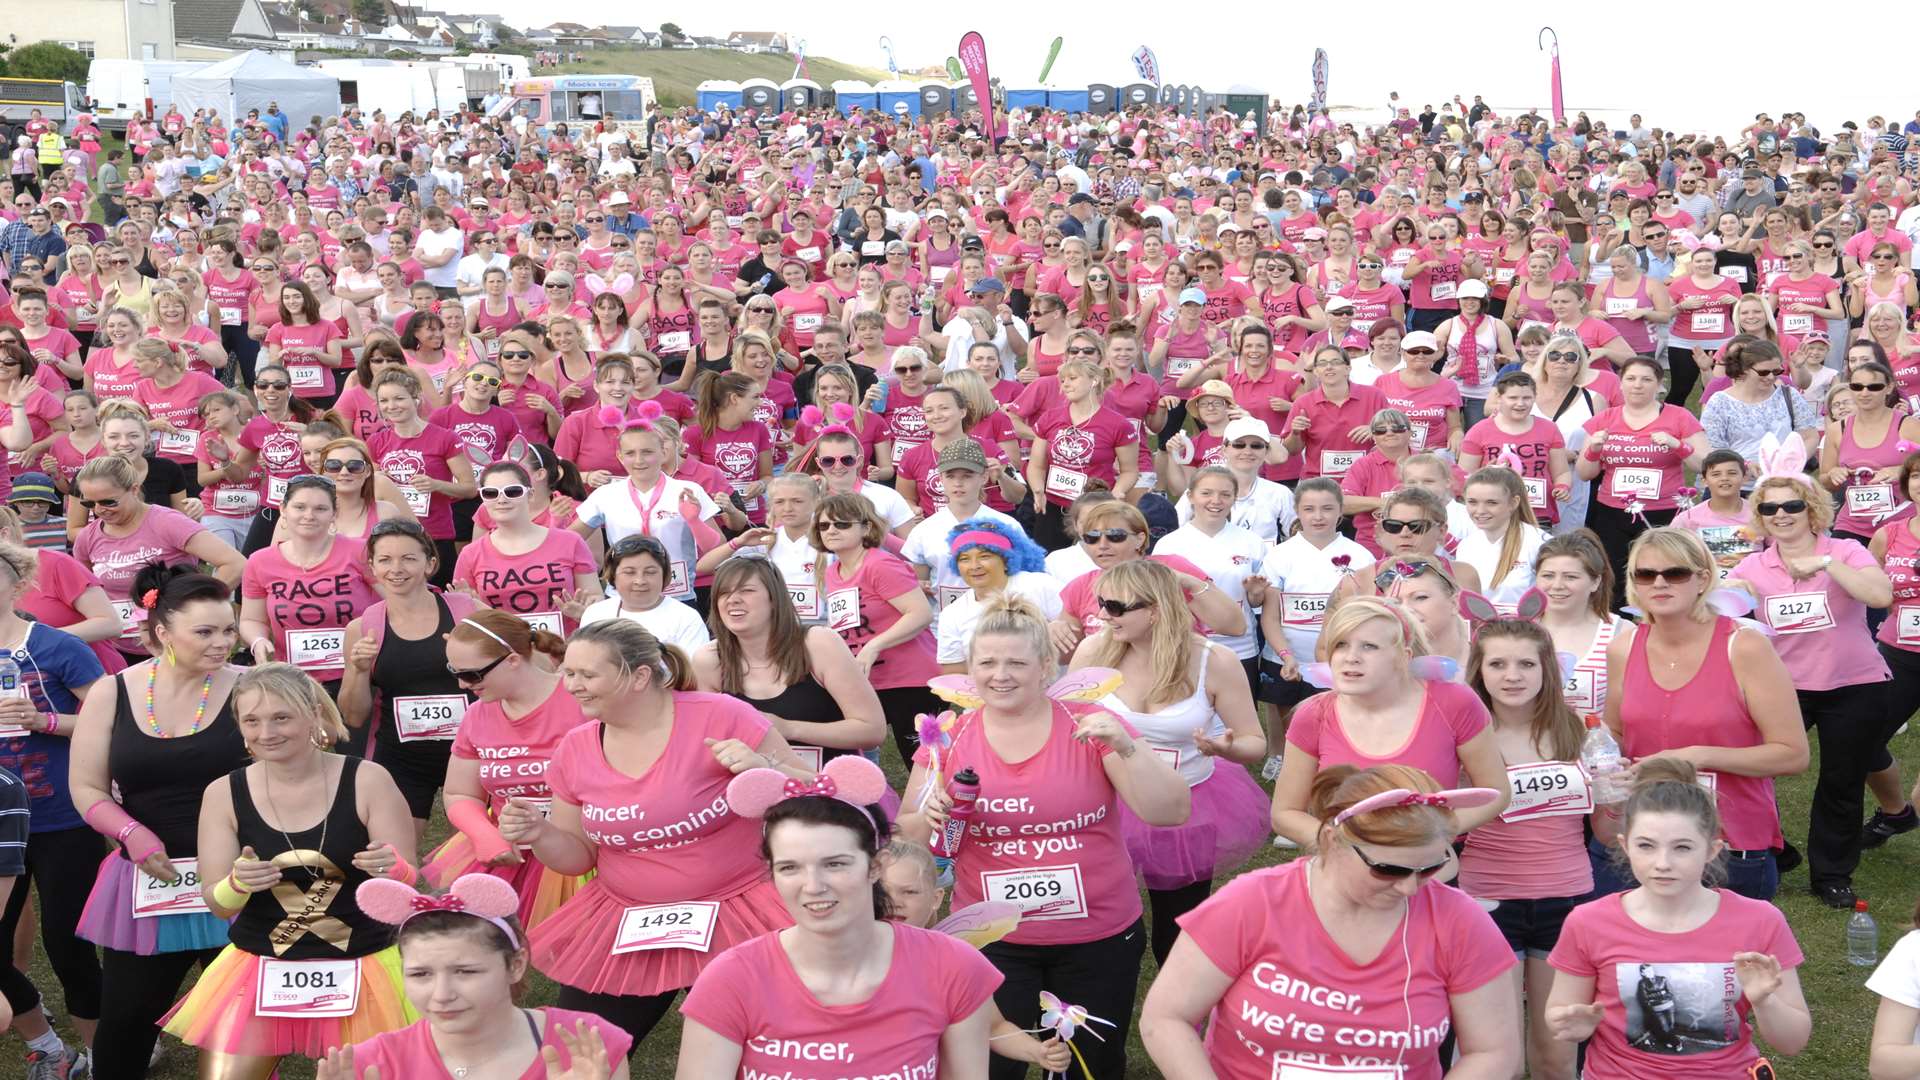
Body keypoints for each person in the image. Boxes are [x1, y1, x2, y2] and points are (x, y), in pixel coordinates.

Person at [898, 596, 1189, 1080]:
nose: (1001, 675)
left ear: (1046, 669)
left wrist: (1127, 748)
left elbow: (1171, 811)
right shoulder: (948, 734)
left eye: (1017, 662)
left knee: (1089, 1063)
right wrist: (929, 814)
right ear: (971, 670)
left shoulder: (1089, 725)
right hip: (990, 938)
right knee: (990, 1063)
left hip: (1097, 933)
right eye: (987, 663)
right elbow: (905, 832)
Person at [499, 620, 812, 1052]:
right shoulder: (575, 747)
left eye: (587, 675)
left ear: (640, 676)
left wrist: (765, 769)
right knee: (579, 1052)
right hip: (631, 919)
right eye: (568, 673)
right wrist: (540, 832)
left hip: (740, 910)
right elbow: (578, 858)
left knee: (777, 1048)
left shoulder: (721, 715)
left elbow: (816, 796)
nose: (572, 686)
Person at [1140, 763, 1520, 1079]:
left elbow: (1494, 1050)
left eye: (1429, 868)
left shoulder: (1460, 921)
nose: (1409, 888)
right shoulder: (1252, 903)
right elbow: (1167, 1017)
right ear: (1332, 840)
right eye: (1388, 869)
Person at [160, 663, 416, 1077]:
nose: (266, 733)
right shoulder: (224, 793)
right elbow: (218, 904)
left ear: (314, 713)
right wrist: (237, 883)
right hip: (261, 964)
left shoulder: (368, 780)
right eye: (252, 721)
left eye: (281, 717)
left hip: (362, 962)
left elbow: (406, 892)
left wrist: (393, 868)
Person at [677, 756, 998, 1078]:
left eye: (835, 864)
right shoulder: (731, 980)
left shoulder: (952, 967)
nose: (813, 886)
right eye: (790, 867)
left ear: (875, 866)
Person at [69, 567, 250, 1080]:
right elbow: (86, 787)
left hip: (240, 878)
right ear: (162, 634)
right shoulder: (113, 692)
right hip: (152, 879)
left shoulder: (250, 688)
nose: (222, 643)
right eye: (206, 632)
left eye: (229, 630)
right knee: (126, 1018)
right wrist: (130, 834)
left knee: (239, 1022)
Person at [1545, 760, 1810, 1077]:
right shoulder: (1588, 922)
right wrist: (1572, 1024)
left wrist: (1766, 1001)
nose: (1662, 863)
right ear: (1625, 846)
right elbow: (1559, 1012)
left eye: (1682, 847)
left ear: (1712, 850)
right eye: (1646, 846)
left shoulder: (1760, 921)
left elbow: (1793, 1042)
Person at [1071, 559, 1268, 966]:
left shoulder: (1213, 661)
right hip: (1105, 801)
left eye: (1116, 607)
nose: (1102, 615)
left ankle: (1179, 1007)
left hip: (1188, 802)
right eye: (1101, 603)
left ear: (1156, 610)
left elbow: (1254, 742)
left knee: (1176, 922)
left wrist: (1226, 748)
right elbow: (1066, 727)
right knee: (1101, 911)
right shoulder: (1094, 652)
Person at [1603, 528, 1809, 901]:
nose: (1660, 583)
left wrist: (1695, 756)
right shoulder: (1623, 648)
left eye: (1675, 573)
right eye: (1646, 574)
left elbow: (1792, 753)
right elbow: (1616, 732)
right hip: (1649, 840)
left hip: (1729, 843)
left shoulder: (1744, 647)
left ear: (1702, 579)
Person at [1728, 469, 1893, 907]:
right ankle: (1774, 852)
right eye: (1769, 508)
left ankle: (1832, 874)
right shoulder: (1752, 565)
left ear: (1811, 509)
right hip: (1782, 689)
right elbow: (1720, 614)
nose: (1781, 515)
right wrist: (1730, 596)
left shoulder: (1844, 550)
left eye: (1792, 505)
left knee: (1841, 781)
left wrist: (1825, 565)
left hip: (1852, 684)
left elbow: (1879, 596)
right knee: (1757, 773)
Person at [317, 873, 631, 1079]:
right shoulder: (368, 1064)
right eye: (420, 974)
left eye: (465, 971)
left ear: (516, 964)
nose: (441, 994)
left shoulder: (587, 1045)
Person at [1462, 614, 1592, 1080]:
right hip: (1487, 902)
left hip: (1566, 899)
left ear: (1547, 671)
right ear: (1478, 669)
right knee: (1500, 1059)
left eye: (1525, 664)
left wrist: (1615, 797)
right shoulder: (1462, 737)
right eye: (1497, 664)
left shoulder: (1579, 732)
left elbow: (1609, 823)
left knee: (1557, 1054)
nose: (1512, 676)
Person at [1269, 596, 1511, 844]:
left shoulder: (1454, 703)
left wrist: (1428, 833)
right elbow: (1285, 813)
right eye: (1341, 644)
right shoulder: (1312, 715)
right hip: (1345, 869)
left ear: (1403, 656)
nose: (1351, 657)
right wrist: (1345, 843)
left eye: (1369, 646)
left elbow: (1496, 792)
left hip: (1430, 867)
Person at [0, 537, 104, 1075]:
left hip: (62, 815)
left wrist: (45, 721)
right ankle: (48, 1047)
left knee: (68, 945)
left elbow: (111, 720)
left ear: (18, 585)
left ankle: (104, 1050)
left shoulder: (58, 647)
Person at [422, 611, 593, 931]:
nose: (462, 684)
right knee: (491, 946)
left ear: (513, 660)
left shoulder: (580, 702)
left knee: (583, 947)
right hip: (512, 850)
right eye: (455, 672)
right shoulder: (477, 716)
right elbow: (460, 792)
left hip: (583, 848)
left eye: (473, 674)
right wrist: (484, 834)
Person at [337, 520, 480, 837]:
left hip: (472, 751)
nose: (396, 569)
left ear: (430, 564)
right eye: (385, 560)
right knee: (392, 857)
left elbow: (517, 667)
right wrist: (358, 671)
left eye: (409, 559)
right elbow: (354, 716)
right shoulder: (362, 629)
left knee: (484, 852)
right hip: (403, 758)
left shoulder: (468, 613)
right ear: (372, 566)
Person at [693, 555, 885, 773]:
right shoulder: (709, 661)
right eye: (724, 593)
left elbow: (872, 730)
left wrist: (787, 728)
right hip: (753, 789)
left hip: (833, 790)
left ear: (774, 599)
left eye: (747, 590)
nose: (733, 599)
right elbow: (709, 740)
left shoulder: (818, 644)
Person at [239, 473, 381, 754]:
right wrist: (258, 642)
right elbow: (251, 619)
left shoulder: (359, 551)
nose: (309, 516)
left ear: (334, 514)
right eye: (300, 507)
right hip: (292, 675)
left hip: (356, 672)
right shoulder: (260, 561)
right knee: (296, 752)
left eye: (320, 509)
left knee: (353, 752)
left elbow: (395, 600)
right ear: (283, 510)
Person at [71, 454, 243, 661]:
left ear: (134, 490)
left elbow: (235, 564)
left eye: (109, 501)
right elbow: (82, 591)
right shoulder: (87, 538)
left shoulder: (166, 522)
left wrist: (193, 607)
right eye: (89, 504)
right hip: (117, 649)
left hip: (177, 646)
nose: (99, 510)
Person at [811, 492, 941, 760]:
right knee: (849, 752)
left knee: (924, 761)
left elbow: (919, 613)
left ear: (866, 527)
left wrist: (874, 646)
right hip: (868, 680)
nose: (831, 530)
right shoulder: (832, 572)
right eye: (824, 526)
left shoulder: (879, 564)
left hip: (910, 679)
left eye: (842, 524)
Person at [1577, 356, 1711, 606]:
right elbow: (1585, 473)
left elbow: (1705, 465)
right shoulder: (1605, 419)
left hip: (1664, 512)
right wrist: (1593, 450)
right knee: (1614, 579)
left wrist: (1678, 446)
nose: (1638, 385)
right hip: (1612, 511)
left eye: (1646, 379)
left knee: (1664, 574)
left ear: (1659, 384)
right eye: (1631, 378)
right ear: (1621, 383)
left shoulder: (1679, 417)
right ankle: (1620, 628)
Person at [452, 461, 599, 635]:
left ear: (530, 494)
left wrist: (583, 613)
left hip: (565, 651)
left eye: (513, 491)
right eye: (491, 493)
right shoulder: (470, 554)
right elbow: (463, 620)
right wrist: (474, 611)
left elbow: (595, 599)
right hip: (503, 654)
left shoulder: (571, 542)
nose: (502, 499)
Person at [366, 369, 478, 579]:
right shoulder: (376, 442)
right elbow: (366, 490)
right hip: (391, 536)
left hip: (435, 534)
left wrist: (436, 484)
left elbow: (469, 488)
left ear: (416, 397)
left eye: (399, 398)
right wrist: (379, 478)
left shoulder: (444, 438)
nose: (391, 406)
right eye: (384, 400)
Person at [1025, 358, 1138, 549]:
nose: (1065, 384)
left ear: (1094, 381)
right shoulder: (1050, 418)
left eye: (1072, 378)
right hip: (1053, 507)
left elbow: (1130, 471)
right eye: (1063, 380)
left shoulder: (1118, 424)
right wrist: (1037, 490)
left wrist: (1117, 492)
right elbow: (1036, 464)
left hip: (1095, 509)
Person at [933, 517, 1063, 672]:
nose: (974, 566)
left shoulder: (1041, 585)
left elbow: (1077, 638)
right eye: (964, 559)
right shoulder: (952, 614)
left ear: (1006, 560)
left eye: (984, 556)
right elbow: (953, 674)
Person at [1534, 530, 1624, 717]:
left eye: (1570, 577)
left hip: (1592, 743)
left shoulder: (1620, 633)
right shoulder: (1518, 627)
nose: (1557, 585)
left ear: (1595, 582)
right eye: (1548, 575)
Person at [579, 535, 710, 649]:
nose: (640, 581)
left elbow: (693, 674)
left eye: (650, 572)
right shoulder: (595, 614)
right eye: (629, 572)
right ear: (613, 575)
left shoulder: (686, 618)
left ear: (664, 574)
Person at [1457, 466, 1547, 607]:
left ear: (1513, 503)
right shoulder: (1466, 545)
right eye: (1472, 502)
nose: (1480, 511)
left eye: (1491, 503)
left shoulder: (1539, 543)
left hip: (1525, 627)